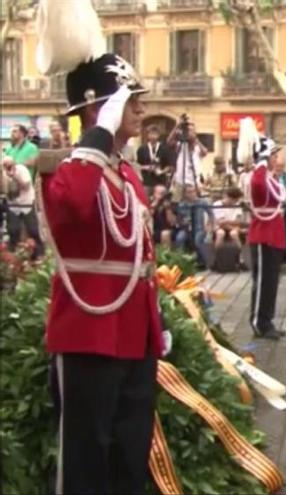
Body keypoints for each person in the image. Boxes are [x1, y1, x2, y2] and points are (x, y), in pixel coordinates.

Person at [37, 36, 163, 493]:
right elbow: (73, 208)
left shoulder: (124, 172)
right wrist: (97, 135)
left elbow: (140, 255)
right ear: (98, 109)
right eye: (129, 99)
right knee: (86, 460)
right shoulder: (67, 168)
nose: (140, 109)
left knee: (129, 455)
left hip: (132, 333)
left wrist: (155, 325)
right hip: (89, 332)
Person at [241, 121, 286, 339]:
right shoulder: (258, 177)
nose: (277, 159)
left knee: (271, 281)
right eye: (274, 155)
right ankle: (259, 322)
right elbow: (258, 186)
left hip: (274, 235)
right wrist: (260, 162)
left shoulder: (270, 177)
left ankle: (268, 320)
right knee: (262, 282)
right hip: (263, 235)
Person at [3, 155, 44, 258]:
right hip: (13, 205)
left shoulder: (22, 169)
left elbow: (26, 185)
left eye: (10, 165)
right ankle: (13, 257)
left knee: (33, 229)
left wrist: (14, 175)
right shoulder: (2, 173)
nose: (8, 167)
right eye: (5, 165)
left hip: (27, 203)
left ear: (14, 163)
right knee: (13, 230)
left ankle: (39, 255)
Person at [174, 184, 213, 268]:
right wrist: (183, 222)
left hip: (200, 228)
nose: (192, 194)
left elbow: (211, 215)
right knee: (179, 238)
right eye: (189, 192)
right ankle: (180, 261)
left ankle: (202, 262)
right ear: (185, 194)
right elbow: (178, 220)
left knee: (197, 240)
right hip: (186, 228)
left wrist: (209, 226)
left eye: (193, 191)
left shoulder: (202, 202)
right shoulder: (182, 205)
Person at [169, 119, 207, 200]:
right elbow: (169, 141)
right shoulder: (181, 145)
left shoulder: (198, 147)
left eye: (191, 131)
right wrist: (177, 126)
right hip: (180, 182)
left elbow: (205, 152)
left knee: (194, 206)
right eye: (187, 131)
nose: (189, 133)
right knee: (177, 205)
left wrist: (196, 140)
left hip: (194, 183)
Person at [136, 124, 171, 191]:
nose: (153, 136)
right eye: (151, 134)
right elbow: (138, 165)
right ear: (148, 135)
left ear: (158, 135)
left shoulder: (164, 148)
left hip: (160, 181)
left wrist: (162, 171)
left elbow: (169, 166)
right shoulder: (142, 149)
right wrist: (146, 167)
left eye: (155, 134)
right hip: (147, 181)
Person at [150, 183, 176, 248]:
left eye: (163, 193)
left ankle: (165, 254)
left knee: (165, 233)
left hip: (167, 229)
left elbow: (171, 222)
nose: (161, 195)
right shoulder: (150, 202)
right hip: (153, 228)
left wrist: (168, 209)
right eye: (159, 193)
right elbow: (148, 216)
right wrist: (155, 204)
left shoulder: (168, 203)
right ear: (154, 193)